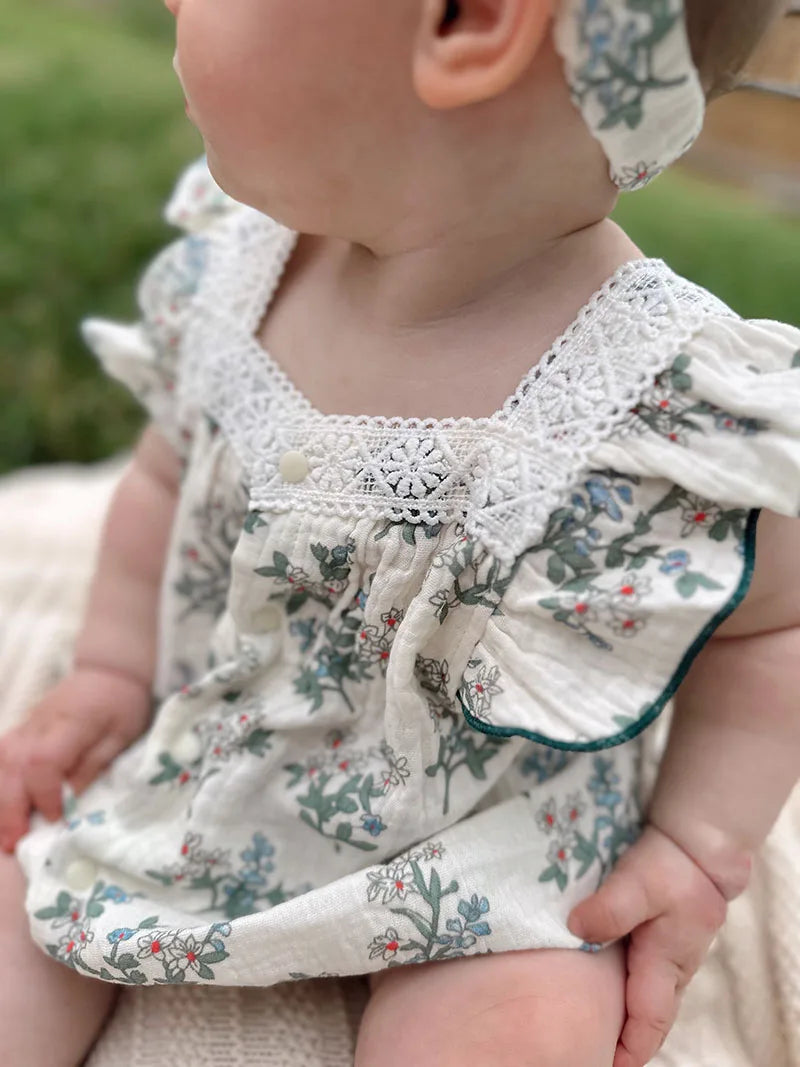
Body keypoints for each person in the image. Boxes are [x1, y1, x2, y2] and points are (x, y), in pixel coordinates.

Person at [0, 0, 796, 1064]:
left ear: (468, 25)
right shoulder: (240, 277)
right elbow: (161, 475)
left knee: (519, 1014)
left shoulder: (646, 399)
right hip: (205, 760)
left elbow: (772, 622)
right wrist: (107, 666)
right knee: (21, 905)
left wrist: (699, 848)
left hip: (488, 834)